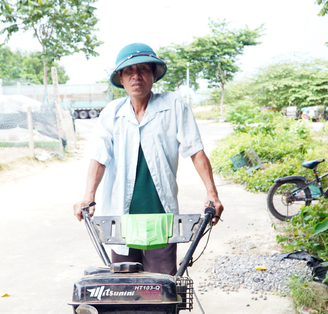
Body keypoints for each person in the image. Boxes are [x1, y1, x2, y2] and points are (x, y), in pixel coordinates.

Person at [73, 42, 224, 275]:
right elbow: (99, 157)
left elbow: (196, 151)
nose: (136, 76)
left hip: (160, 217)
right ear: (121, 79)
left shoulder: (173, 106)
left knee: (163, 288)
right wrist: (88, 197)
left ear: (154, 74)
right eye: (129, 71)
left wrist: (212, 194)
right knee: (123, 288)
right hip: (121, 218)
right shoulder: (111, 113)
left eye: (143, 69)